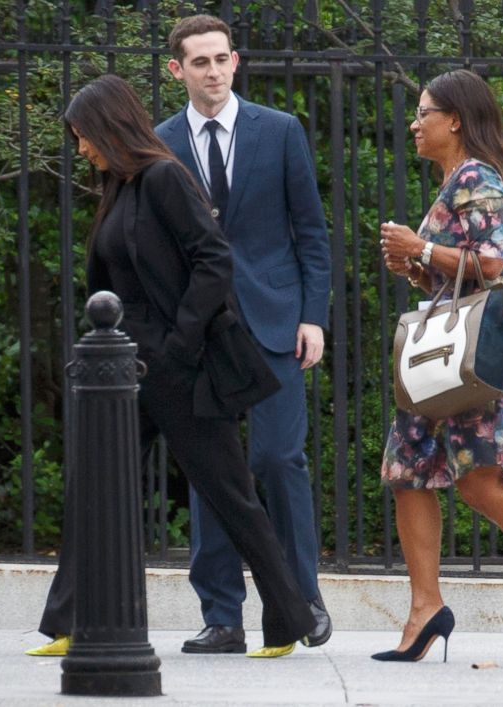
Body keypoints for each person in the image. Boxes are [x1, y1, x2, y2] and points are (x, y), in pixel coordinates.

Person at [27, 74, 316, 658]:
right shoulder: (121, 186)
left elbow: (214, 260)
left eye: (85, 136)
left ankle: (290, 618)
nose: (81, 149)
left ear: (110, 128)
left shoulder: (162, 178)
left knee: (232, 497)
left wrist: (179, 350)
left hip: (175, 371)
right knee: (96, 487)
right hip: (127, 373)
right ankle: (69, 620)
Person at [155, 15, 332, 653]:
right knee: (213, 471)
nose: (213, 71)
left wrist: (314, 316)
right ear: (176, 70)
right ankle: (222, 617)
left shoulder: (280, 131)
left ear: (236, 62)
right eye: (199, 62)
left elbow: (310, 232)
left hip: (277, 321)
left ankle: (301, 600)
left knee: (280, 459)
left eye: (221, 59)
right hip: (201, 329)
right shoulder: (160, 141)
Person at [375, 69, 503, 662]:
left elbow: (493, 265)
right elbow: (460, 269)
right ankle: (425, 609)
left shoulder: (478, 179)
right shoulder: (453, 180)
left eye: (424, 113)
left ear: (455, 119)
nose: (414, 124)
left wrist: (419, 248)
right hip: (444, 357)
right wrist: (419, 268)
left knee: (477, 483)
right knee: (407, 472)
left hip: (476, 356)